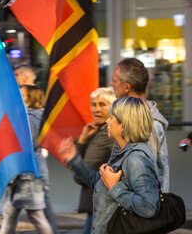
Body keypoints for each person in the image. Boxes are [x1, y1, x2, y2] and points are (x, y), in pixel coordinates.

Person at [58, 96, 160, 234]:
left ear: (123, 126)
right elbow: (98, 184)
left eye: (111, 118)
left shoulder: (137, 159)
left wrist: (114, 187)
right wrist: (74, 160)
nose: (107, 121)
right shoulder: (120, 151)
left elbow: (149, 207)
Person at [0, 85, 53, 234]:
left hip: (27, 174)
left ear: (30, 98)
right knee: (13, 213)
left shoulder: (28, 118)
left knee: (34, 215)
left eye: (21, 95)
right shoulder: (39, 116)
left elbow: (21, 144)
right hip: (31, 172)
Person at [110, 58, 169, 191]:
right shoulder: (127, 117)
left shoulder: (149, 123)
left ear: (126, 87)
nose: (111, 84)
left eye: (114, 81)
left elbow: (148, 180)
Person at [73, 87, 116, 234]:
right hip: (97, 203)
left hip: (101, 203)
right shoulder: (99, 131)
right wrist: (83, 140)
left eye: (102, 104)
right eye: (94, 104)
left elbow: (81, 174)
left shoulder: (107, 135)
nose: (96, 109)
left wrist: (76, 154)